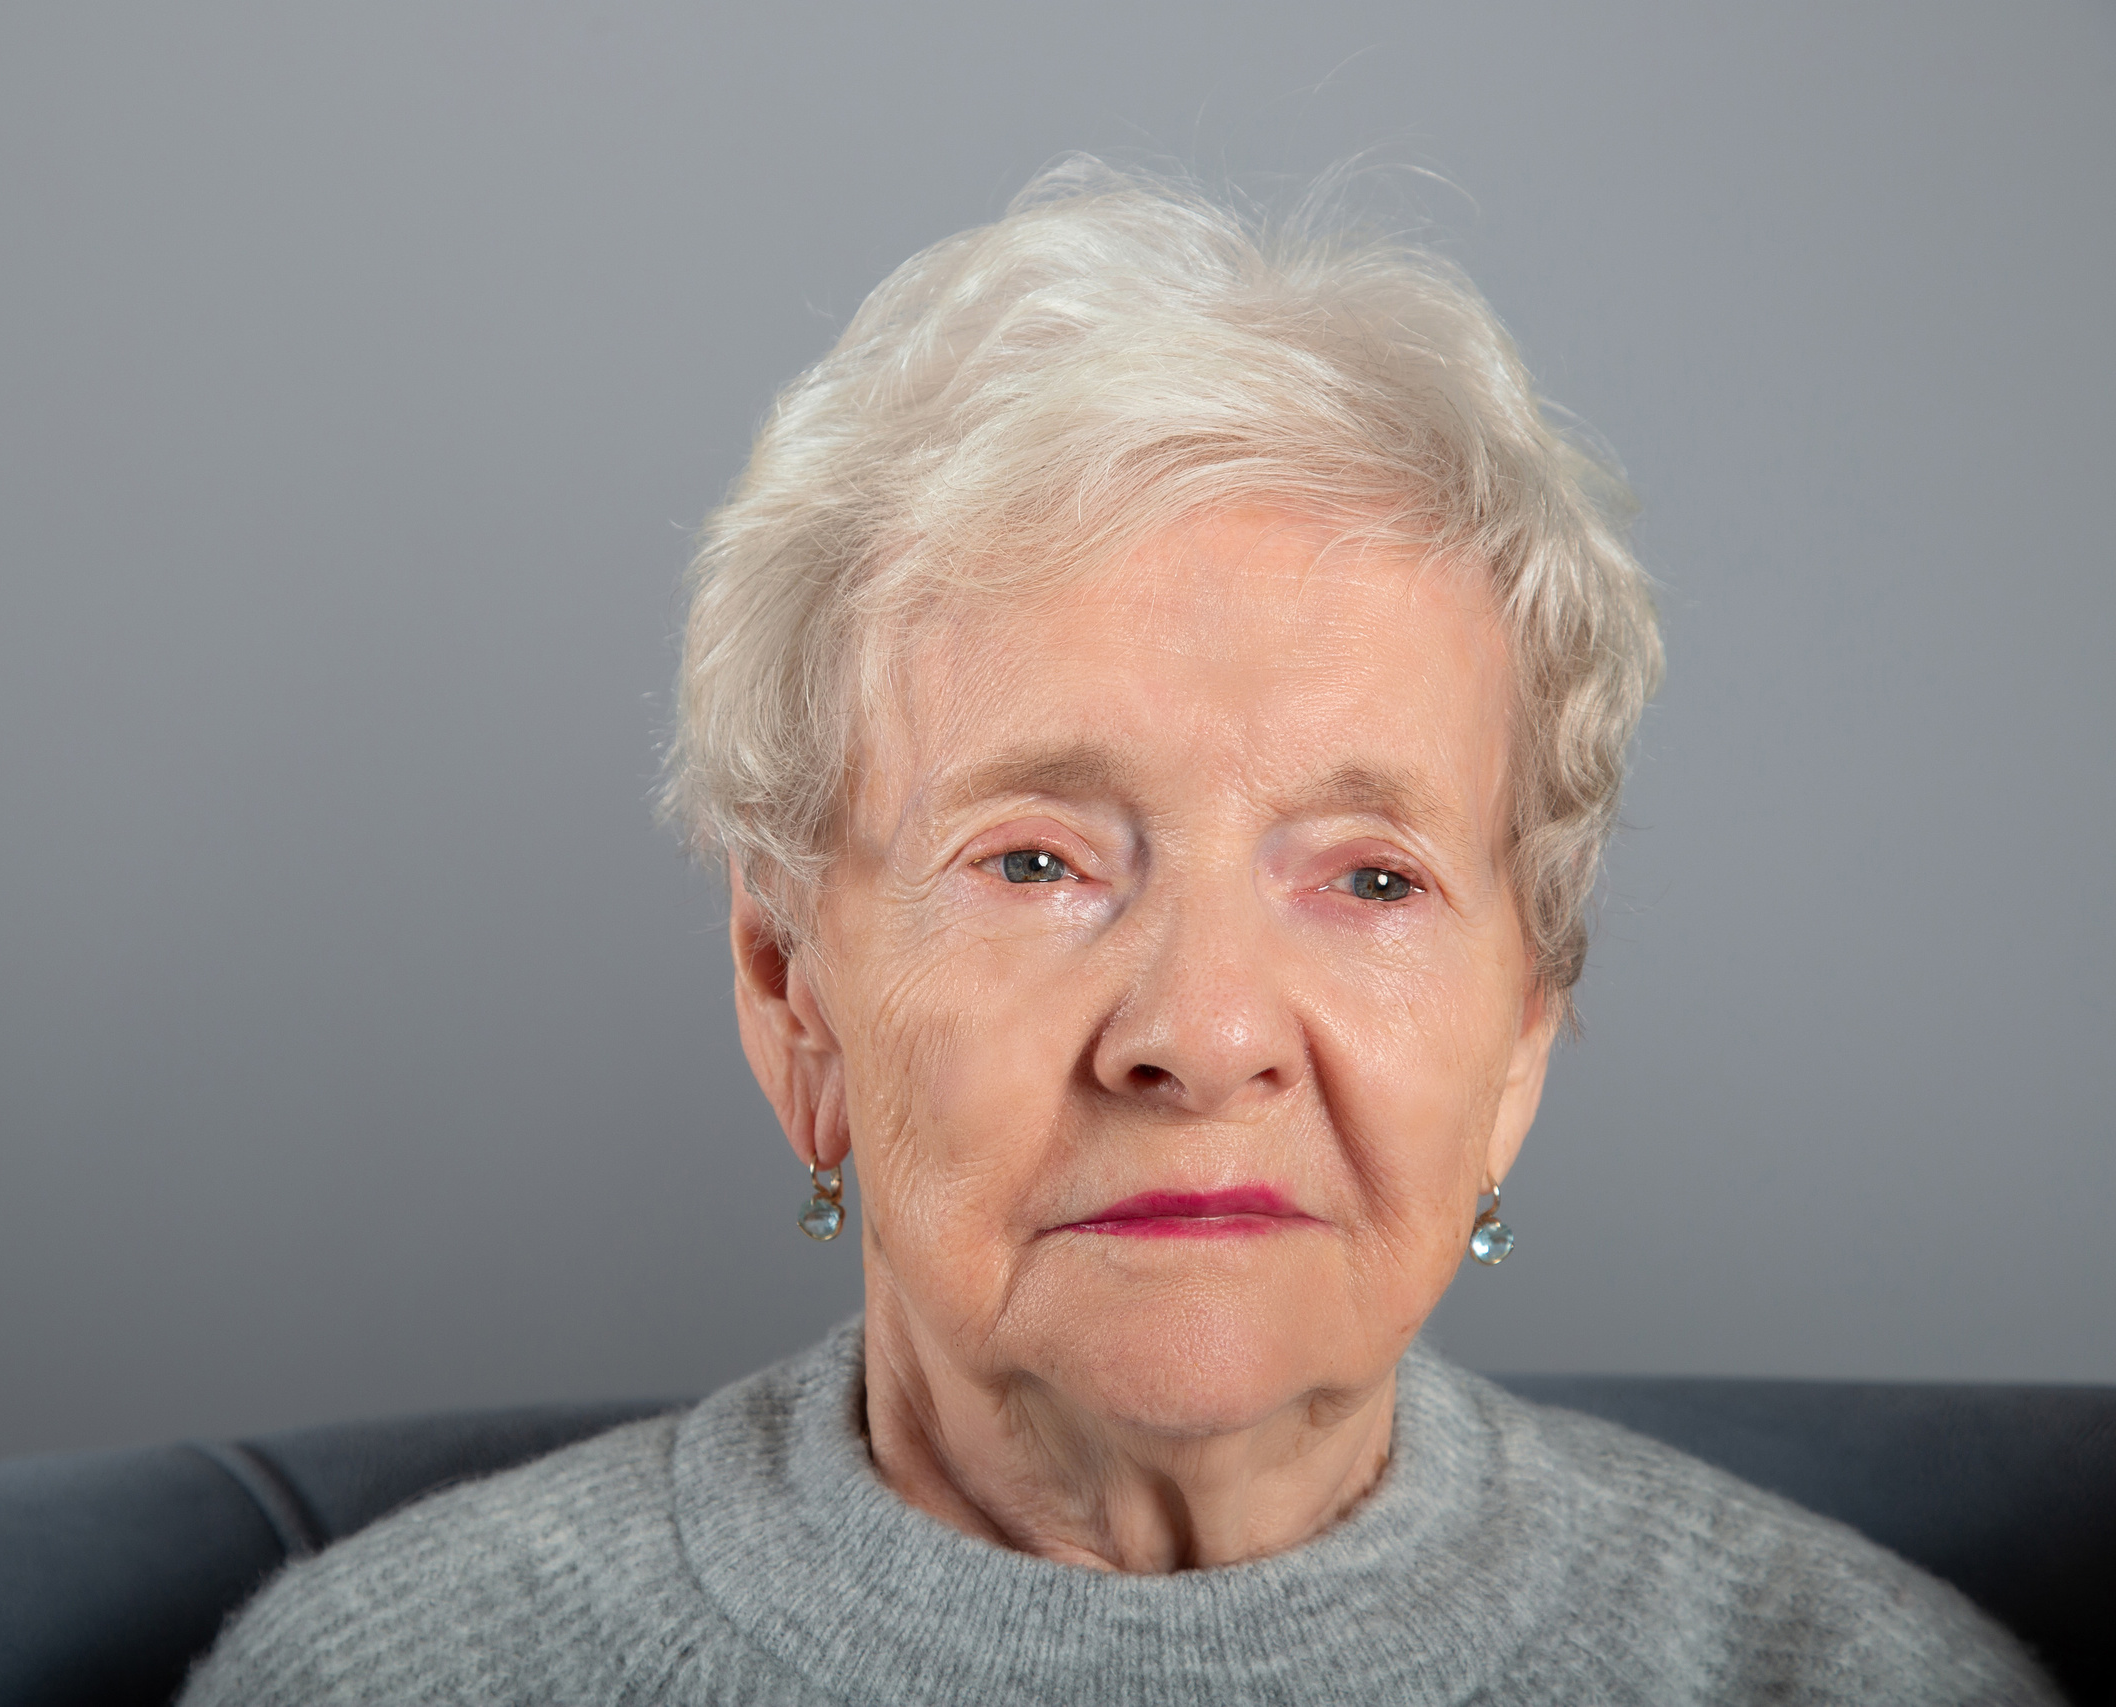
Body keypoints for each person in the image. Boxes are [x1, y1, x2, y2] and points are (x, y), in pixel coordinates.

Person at [179, 160, 2057, 1705]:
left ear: (1525, 1037)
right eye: (1037, 862)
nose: (1205, 1028)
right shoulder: (395, 1682)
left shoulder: (1854, 1681)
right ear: (793, 997)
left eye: (1374, 876)